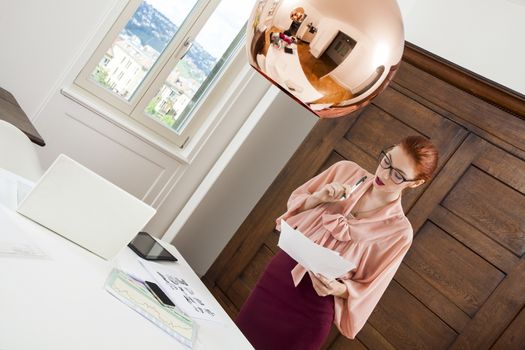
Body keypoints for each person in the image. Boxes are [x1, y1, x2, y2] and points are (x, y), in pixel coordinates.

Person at [235, 136, 439, 349]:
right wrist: (319, 198)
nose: (384, 174)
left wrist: (336, 288)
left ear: (416, 183)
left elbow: (370, 287)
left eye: (397, 175)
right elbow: (293, 206)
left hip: (315, 306)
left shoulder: (398, 232)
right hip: (280, 276)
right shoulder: (345, 171)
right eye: (386, 161)